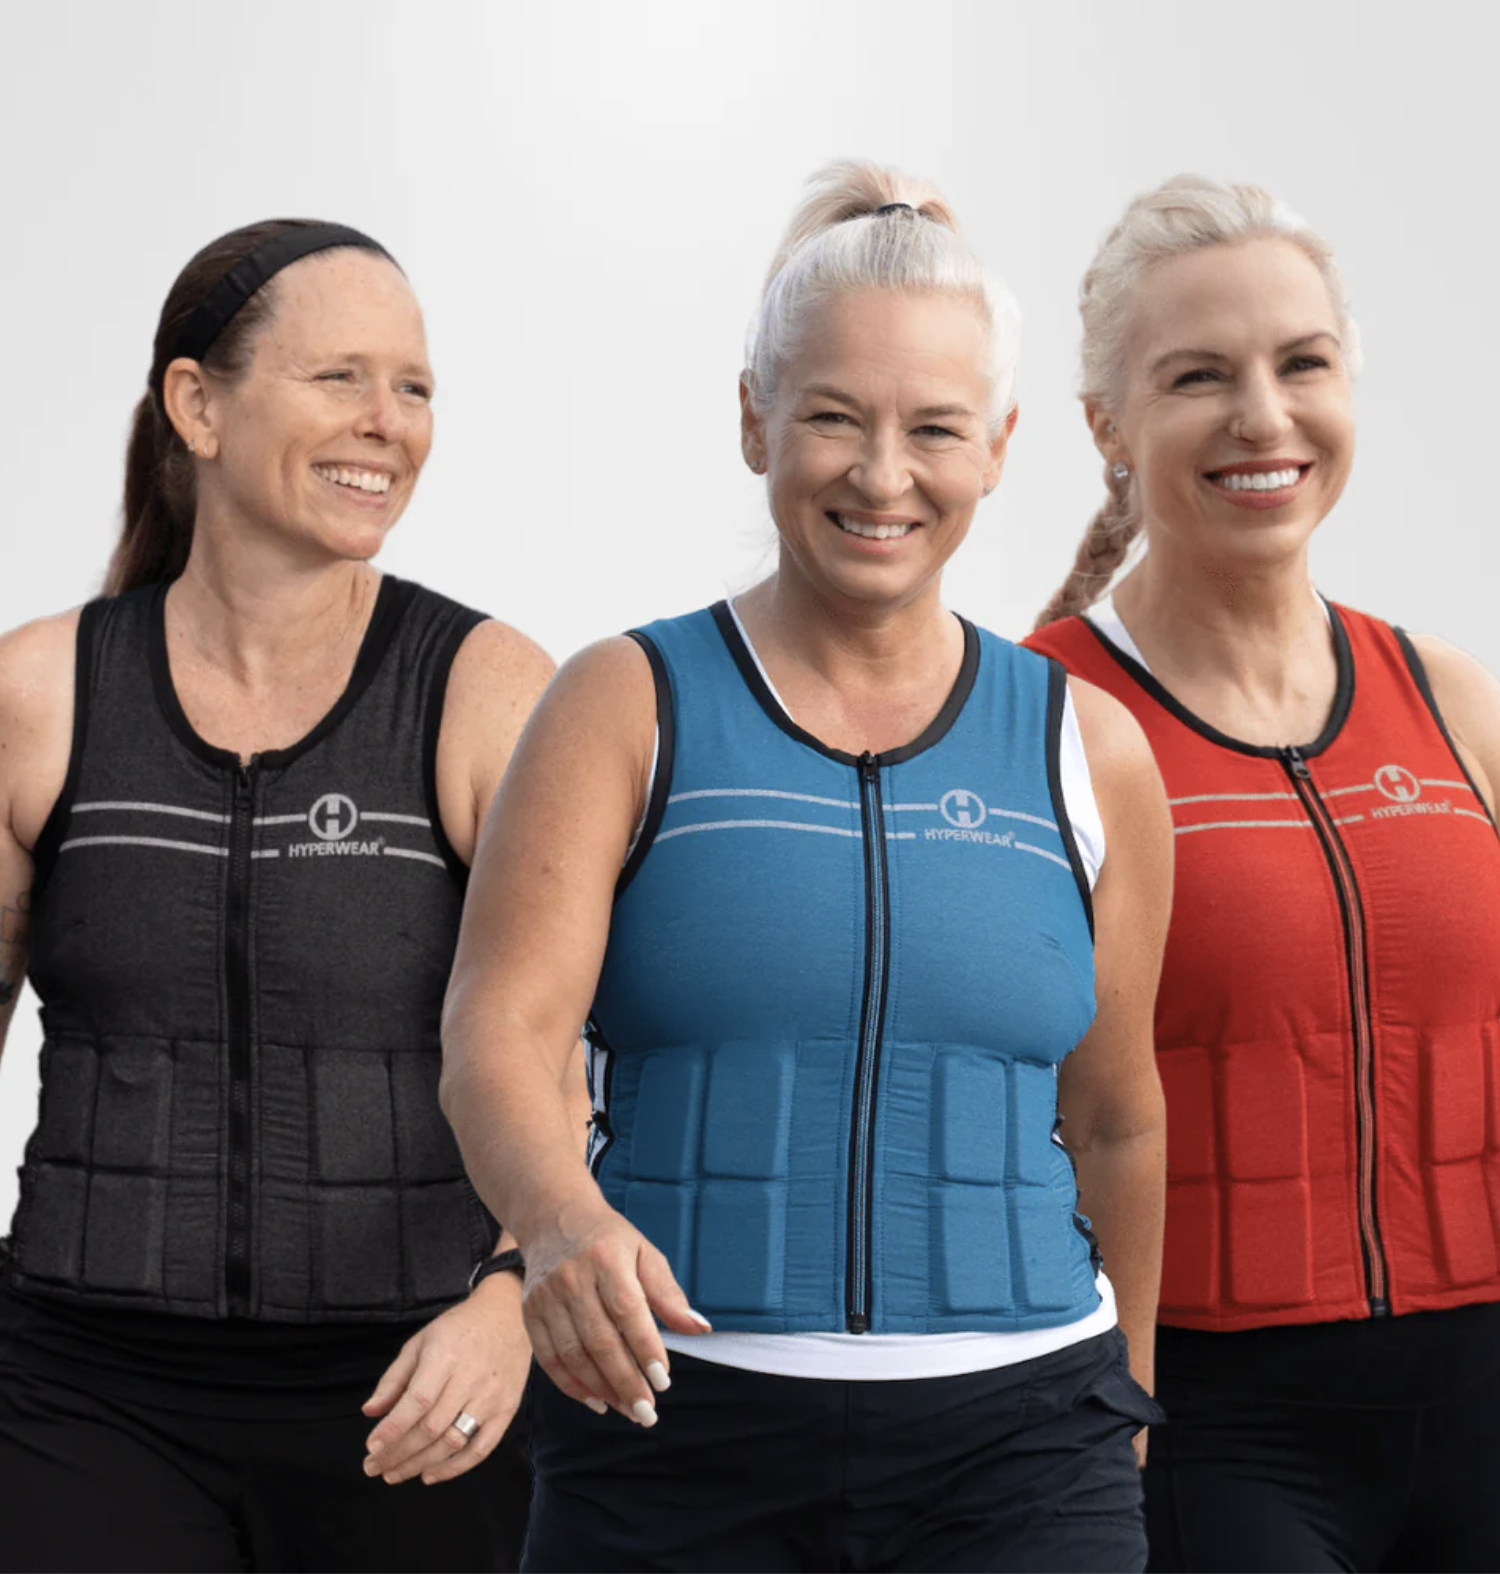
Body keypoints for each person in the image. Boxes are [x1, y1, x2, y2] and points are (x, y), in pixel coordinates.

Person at [440, 160, 1173, 1574]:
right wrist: (558, 1215)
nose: (882, 473)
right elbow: (497, 1027)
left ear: (1003, 443)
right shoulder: (621, 700)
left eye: (935, 428)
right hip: (671, 1431)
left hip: (1025, 1449)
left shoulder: (1090, 751)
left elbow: (1121, 1115)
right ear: (753, 418)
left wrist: (1126, 1403)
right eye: (833, 417)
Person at [0, 219, 557, 1572]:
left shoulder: (489, 690)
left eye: (415, 387)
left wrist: (512, 1300)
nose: (388, 424)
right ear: (197, 402)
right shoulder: (39, 696)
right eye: (340, 378)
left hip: (420, 1385)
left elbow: (580, 1053)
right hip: (82, 1391)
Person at [1027, 175, 1500, 1573]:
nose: (1263, 416)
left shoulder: (1449, 695)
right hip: (1214, 1427)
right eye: (1197, 376)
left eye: (1303, 363)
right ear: (1108, 427)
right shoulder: (1040, 720)